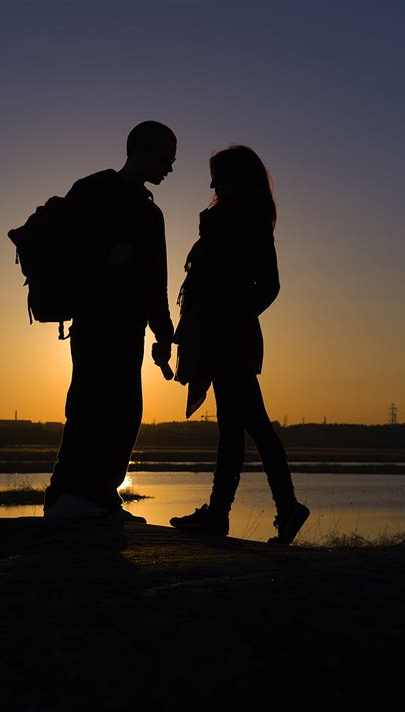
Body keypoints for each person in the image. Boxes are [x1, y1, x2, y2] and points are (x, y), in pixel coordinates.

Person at [169, 145, 309, 544]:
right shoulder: (226, 223)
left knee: (253, 425)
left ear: (237, 179)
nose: (212, 184)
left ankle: (284, 506)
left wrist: (229, 315)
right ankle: (226, 512)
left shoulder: (249, 222)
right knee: (234, 427)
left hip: (229, 338)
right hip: (218, 336)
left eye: (219, 175)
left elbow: (269, 285)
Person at [44, 121, 176, 521]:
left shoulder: (152, 214)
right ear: (142, 151)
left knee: (124, 409)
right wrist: (106, 260)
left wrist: (163, 329)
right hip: (95, 319)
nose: (170, 167)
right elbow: (65, 250)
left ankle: (100, 493)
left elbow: (157, 278)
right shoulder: (94, 191)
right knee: (89, 402)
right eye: (167, 157)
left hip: (130, 327)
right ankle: (66, 493)